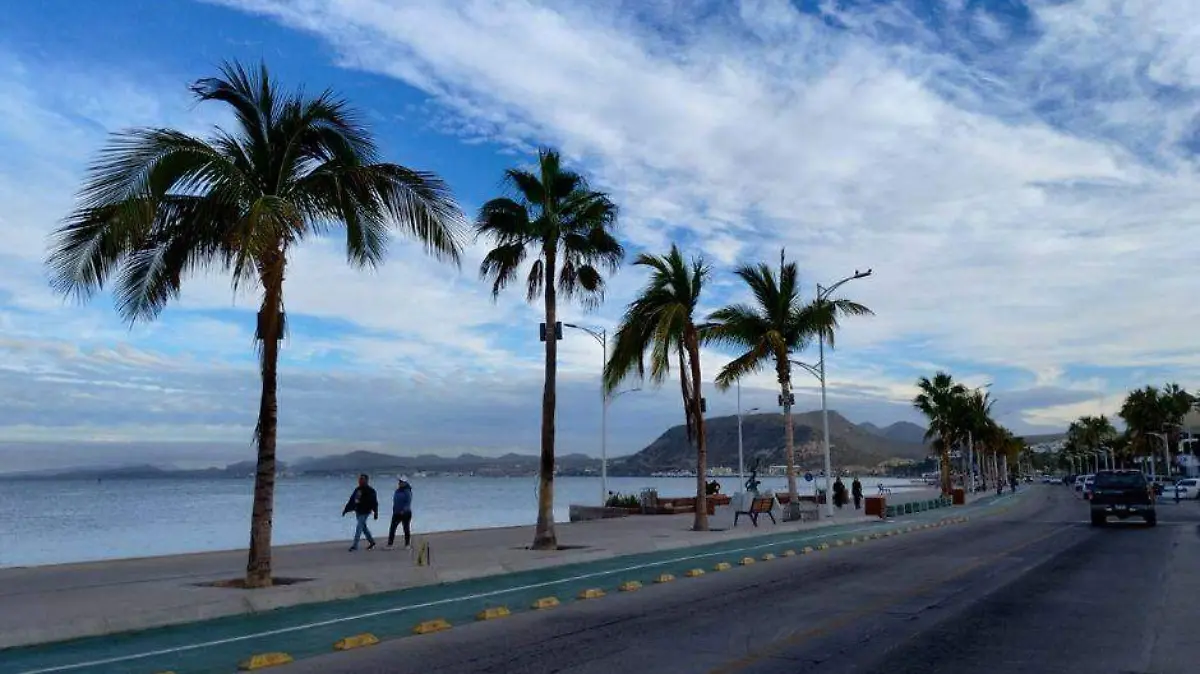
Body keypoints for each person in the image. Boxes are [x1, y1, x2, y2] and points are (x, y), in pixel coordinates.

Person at [342, 473, 379, 551]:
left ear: (366, 480)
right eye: (360, 479)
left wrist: (376, 513)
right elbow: (352, 500)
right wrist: (346, 510)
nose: (360, 480)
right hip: (358, 511)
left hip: (365, 512)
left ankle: (355, 546)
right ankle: (372, 542)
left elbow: (374, 502)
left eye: (362, 479)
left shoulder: (371, 491)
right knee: (363, 528)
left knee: (359, 527)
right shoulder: (358, 489)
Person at [388, 477, 414, 549]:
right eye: (399, 482)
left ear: (405, 483)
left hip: (405, 513)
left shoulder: (407, 491)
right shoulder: (397, 491)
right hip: (396, 512)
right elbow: (395, 500)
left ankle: (407, 544)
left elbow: (408, 502)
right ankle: (390, 544)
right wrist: (394, 508)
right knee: (392, 528)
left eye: (401, 482)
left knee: (406, 528)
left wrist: (403, 510)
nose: (399, 483)